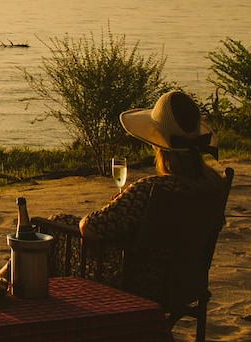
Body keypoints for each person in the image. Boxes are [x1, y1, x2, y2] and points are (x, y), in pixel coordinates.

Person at [33, 89, 227, 299]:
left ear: (158, 146)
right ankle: (2, 278)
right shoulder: (213, 185)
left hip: (137, 282)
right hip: (186, 280)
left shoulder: (152, 189)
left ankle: (10, 292)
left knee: (46, 231)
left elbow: (92, 227)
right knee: (59, 221)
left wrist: (120, 199)